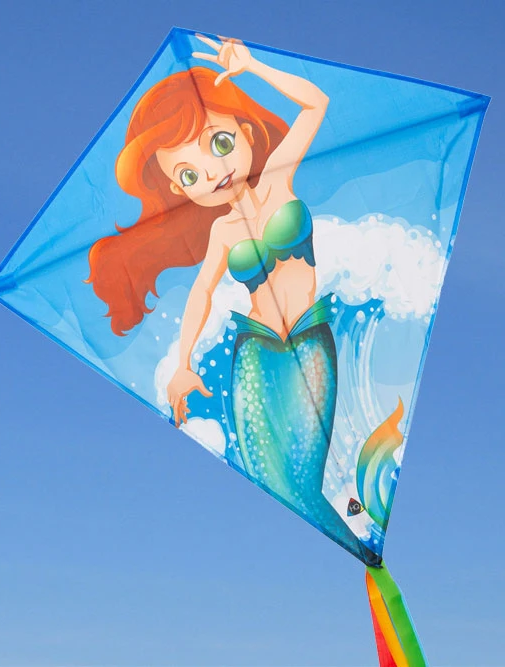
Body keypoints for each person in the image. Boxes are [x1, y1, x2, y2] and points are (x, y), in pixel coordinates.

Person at [87, 36, 379, 564]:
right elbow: (201, 292)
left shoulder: (279, 177)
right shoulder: (222, 232)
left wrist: (253, 67)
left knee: (317, 465)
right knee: (275, 475)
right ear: (182, 192)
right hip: (256, 352)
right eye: (188, 175)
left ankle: (362, 539)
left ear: (245, 131)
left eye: (218, 144)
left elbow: (317, 105)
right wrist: (182, 364)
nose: (212, 172)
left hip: (309, 338)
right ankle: (360, 553)